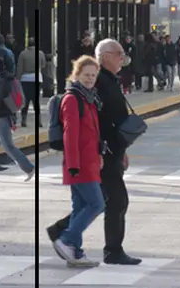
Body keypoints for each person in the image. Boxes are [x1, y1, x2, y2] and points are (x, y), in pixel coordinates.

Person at [48, 39, 142, 266]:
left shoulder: (107, 81)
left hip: (108, 152)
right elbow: (82, 129)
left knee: (91, 203)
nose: (123, 58)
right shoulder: (92, 87)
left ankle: (64, 235)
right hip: (97, 156)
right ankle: (107, 249)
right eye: (119, 54)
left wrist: (122, 150)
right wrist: (79, 160)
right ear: (106, 55)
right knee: (112, 201)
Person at [51, 55, 105, 267]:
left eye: (93, 75)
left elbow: (93, 133)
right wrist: (73, 164)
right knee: (97, 204)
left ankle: (75, 253)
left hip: (89, 161)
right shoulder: (72, 99)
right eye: (86, 75)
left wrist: (99, 156)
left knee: (81, 206)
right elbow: (69, 134)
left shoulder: (88, 98)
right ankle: (66, 240)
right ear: (76, 74)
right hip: (79, 164)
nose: (90, 79)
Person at [16, 37, 45, 127]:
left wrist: (17, 78)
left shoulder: (23, 54)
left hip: (25, 79)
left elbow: (20, 67)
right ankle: (39, 121)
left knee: (26, 100)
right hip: (37, 78)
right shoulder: (40, 53)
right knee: (36, 101)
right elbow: (43, 65)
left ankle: (24, 120)